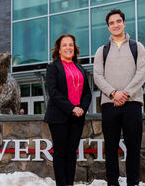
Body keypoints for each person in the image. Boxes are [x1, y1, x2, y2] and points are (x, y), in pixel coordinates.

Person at [93, 9, 145, 186]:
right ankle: (112, 183)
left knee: (133, 148)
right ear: (108, 27)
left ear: (124, 23)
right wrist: (114, 93)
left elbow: (142, 73)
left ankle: (133, 183)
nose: (115, 25)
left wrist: (126, 93)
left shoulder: (137, 47)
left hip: (132, 104)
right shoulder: (102, 51)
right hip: (110, 105)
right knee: (110, 148)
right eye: (111, 23)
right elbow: (97, 77)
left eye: (118, 21)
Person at [44, 34, 92, 186]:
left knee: (72, 153)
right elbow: (53, 92)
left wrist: (81, 109)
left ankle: (69, 183)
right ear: (59, 49)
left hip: (77, 117)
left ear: (74, 48)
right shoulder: (53, 67)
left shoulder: (80, 68)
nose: (68, 48)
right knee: (60, 153)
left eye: (70, 44)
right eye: (64, 45)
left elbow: (87, 93)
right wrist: (72, 108)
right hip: (59, 116)